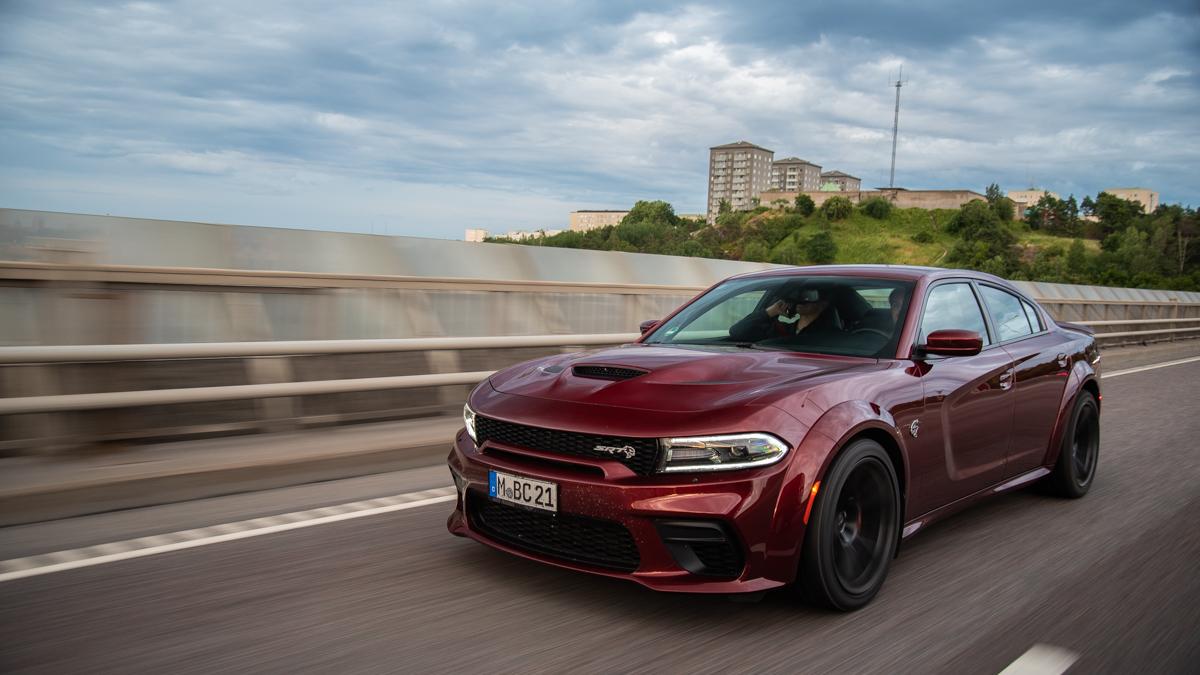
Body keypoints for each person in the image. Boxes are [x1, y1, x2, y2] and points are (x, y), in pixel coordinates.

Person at [729, 285, 831, 342]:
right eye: (798, 295)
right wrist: (770, 312)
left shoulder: (829, 335)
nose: (801, 299)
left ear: (824, 303)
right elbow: (736, 332)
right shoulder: (780, 330)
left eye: (809, 296)